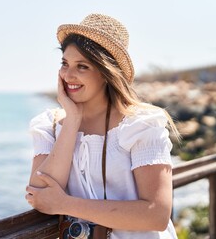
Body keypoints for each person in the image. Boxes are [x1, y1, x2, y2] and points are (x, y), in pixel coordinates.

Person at [25, 13, 180, 238]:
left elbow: (156, 214)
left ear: (106, 73)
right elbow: (39, 196)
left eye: (82, 67)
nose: (68, 75)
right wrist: (72, 122)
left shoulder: (141, 124)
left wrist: (66, 204)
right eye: (65, 64)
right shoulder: (49, 126)